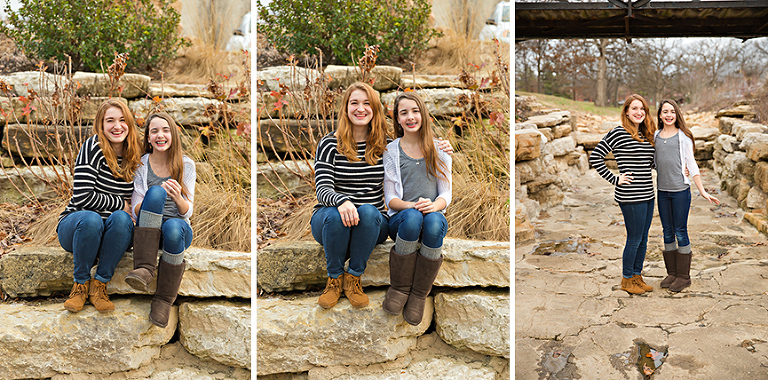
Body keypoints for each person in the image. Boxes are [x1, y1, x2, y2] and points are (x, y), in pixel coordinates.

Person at [311, 82, 452, 310]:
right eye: (354, 103)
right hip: (331, 219)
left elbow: (412, 144)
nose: (361, 108)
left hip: (371, 223)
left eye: (367, 104)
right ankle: (334, 279)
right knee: (336, 216)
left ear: (375, 109)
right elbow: (322, 188)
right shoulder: (329, 143)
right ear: (346, 108)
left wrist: (441, 146)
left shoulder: (384, 146)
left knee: (368, 210)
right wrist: (342, 201)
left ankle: (354, 278)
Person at [58, 99, 142, 313]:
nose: (117, 126)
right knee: (91, 218)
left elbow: (131, 206)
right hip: (77, 227)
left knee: (123, 220)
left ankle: (100, 286)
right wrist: (120, 203)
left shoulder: (134, 154)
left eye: (123, 120)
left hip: (109, 233)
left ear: (129, 124)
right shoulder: (93, 146)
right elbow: (83, 197)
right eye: (110, 120)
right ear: (101, 125)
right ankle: (80, 285)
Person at [382, 92, 452, 325]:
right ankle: (400, 288)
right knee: (412, 217)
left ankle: (419, 294)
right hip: (403, 221)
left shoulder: (440, 149)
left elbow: (446, 193)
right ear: (398, 119)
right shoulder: (391, 151)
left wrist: (434, 206)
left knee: (433, 221)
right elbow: (390, 198)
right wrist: (411, 205)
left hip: (433, 216)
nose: (410, 117)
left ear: (423, 114)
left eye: (415, 111)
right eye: (404, 113)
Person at [127, 112, 196, 327]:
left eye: (166, 130)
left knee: (175, 226)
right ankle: (145, 268)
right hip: (150, 230)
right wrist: (153, 194)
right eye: (154, 131)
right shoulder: (141, 164)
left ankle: (164, 300)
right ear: (148, 138)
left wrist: (177, 197)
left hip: (176, 232)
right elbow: (136, 210)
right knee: (155, 193)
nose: (160, 135)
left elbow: (188, 211)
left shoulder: (186, 164)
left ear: (173, 134)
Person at [589, 94, 657, 295]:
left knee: (644, 238)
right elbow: (596, 157)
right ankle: (627, 279)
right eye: (634, 108)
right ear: (626, 111)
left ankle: (637, 276)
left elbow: (650, 164)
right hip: (630, 195)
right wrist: (615, 179)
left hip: (648, 193)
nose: (639, 112)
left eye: (642, 109)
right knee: (634, 238)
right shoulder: (618, 133)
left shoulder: (646, 134)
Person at [654, 99, 719, 292]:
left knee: (680, 231)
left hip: (680, 191)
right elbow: (655, 161)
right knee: (667, 231)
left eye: (672, 112)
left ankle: (684, 276)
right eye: (665, 111)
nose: (668, 115)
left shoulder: (683, 137)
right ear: (659, 115)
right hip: (662, 192)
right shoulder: (656, 136)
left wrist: (702, 191)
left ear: (677, 115)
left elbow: (692, 165)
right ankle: (672, 273)